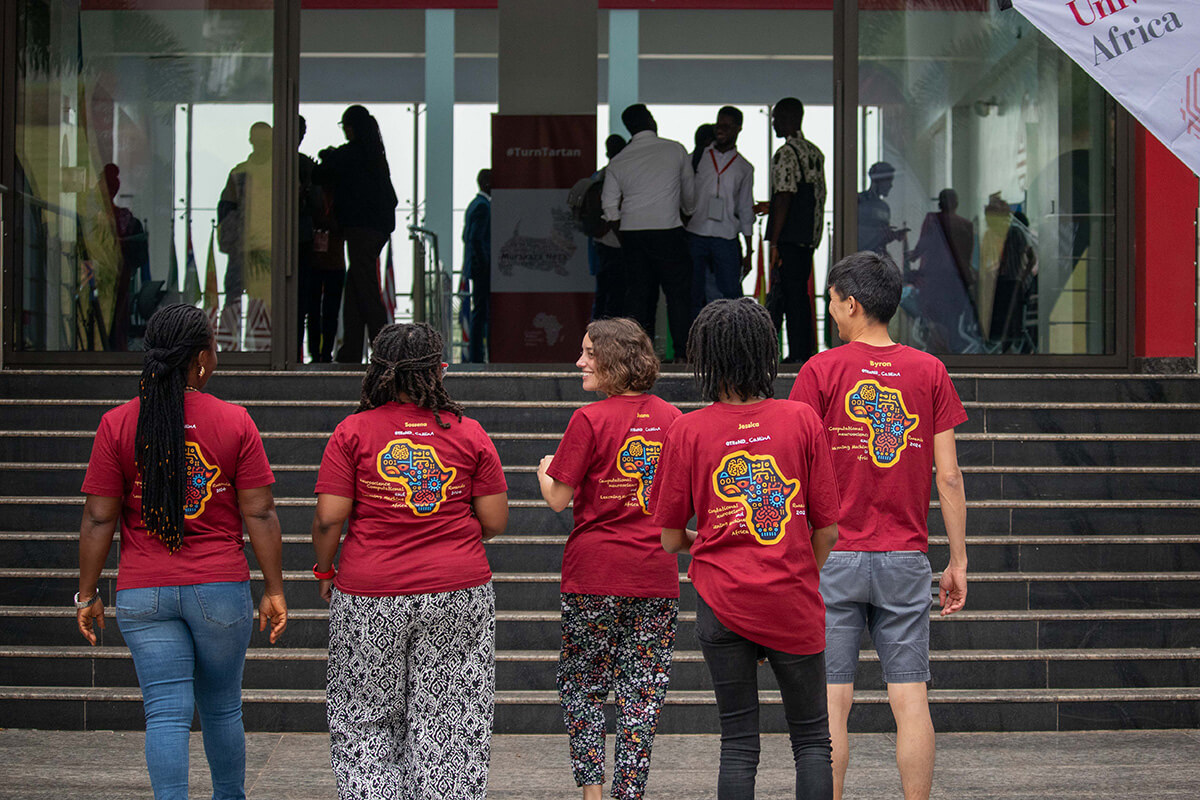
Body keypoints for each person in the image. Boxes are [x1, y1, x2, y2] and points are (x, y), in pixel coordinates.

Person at [76, 303, 288, 800]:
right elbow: (259, 513)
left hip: (144, 593)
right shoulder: (234, 422)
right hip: (219, 591)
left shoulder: (117, 424)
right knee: (221, 707)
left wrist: (87, 594)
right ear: (200, 359)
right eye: (212, 347)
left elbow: (98, 518)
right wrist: (274, 589)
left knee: (166, 712)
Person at [788, 251, 968, 800]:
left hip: (834, 556)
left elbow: (795, 470)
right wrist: (957, 560)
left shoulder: (820, 371)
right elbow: (950, 475)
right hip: (905, 557)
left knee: (831, 703)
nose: (832, 312)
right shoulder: (930, 371)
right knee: (910, 700)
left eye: (834, 302)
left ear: (853, 303)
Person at [652, 298, 841, 800]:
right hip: (793, 598)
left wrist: (710, 541)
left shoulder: (687, 430)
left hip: (721, 603)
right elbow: (827, 530)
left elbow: (670, 538)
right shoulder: (802, 420)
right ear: (766, 351)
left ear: (705, 357)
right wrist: (797, 566)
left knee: (737, 742)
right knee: (812, 741)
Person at [311, 322, 508, 799]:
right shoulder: (469, 432)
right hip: (457, 593)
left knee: (366, 716)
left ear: (377, 371)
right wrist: (445, 536)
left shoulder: (352, 431)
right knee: (452, 719)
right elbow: (496, 521)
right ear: (438, 372)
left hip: (368, 593)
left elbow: (328, 519)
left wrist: (324, 570)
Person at [536, 318, 682, 800]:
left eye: (588, 353)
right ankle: (629, 794)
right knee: (643, 695)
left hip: (592, 573)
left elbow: (558, 498)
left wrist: (542, 471)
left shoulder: (589, 419)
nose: (579, 361)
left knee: (584, 686)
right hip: (654, 574)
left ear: (613, 360)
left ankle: (592, 795)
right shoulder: (674, 420)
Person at [601, 104, 696, 359]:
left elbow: (609, 208)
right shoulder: (674, 149)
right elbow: (690, 194)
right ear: (651, 121)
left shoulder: (619, 161)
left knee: (639, 297)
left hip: (633, 234)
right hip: (669, 230)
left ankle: (638, 357)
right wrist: (686, 213)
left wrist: (624, 236)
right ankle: (682, 355)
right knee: (678, 296)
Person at [319, 104, 398, 364]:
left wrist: (324, 155)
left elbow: (323, 172)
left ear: (350, 128)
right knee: (355, 288)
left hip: (359, 230)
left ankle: (385, 350)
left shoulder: (350, 154)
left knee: (366, 290)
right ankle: (350, 351)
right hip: (378, 229)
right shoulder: (375, 154)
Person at [765, 97, 826, 364]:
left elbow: (785, 196)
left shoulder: (785, 153)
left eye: (776, 117)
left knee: (788, 295)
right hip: (808, 236)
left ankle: (794, 353)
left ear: (789, 118)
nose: (773, 122)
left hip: (789, 237)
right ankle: (803, 349)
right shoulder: (815, 152)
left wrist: (775, 241)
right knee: (799, 294)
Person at [686, 106, 755, 316]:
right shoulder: (697, 157)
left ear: (738, 129)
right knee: (692, 294)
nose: (720, 130)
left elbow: (745, 207)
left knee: (731, 294)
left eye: (727, 125)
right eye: (718, 125)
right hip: (695, 232)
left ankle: (733, 340)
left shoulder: (744, 167)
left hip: (725, 236)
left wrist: (749, 249)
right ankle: (696, 343)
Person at [217, 122, 274, 351]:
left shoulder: (279, 173)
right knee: (234, 300)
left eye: (264, 141)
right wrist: (231, 244)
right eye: (257, 140)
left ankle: (260, 349)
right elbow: (225, 212)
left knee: (262, 304)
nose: (260, 145)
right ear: (251, 141)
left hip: (268, 251)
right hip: (242, 250)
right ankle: (228, 349)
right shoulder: (239, 173)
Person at [906, 189, 977, 354]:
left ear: (940, 203)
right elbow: (967, 255)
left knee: (933, 322)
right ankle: (949, 353)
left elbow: (922, 245)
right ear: (956, 204)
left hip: (934, 281)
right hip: (956, 282)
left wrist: (911, 257)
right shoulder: (966, 225)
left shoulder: (932, 220)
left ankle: (938, 353)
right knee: (951, 323)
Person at [307, 140, 347, 363]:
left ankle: (325, 352)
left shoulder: (342, 195)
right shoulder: (314, 193)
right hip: (317, 259)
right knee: (314, 311)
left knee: (330, 312)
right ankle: (315, 352)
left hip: (335, 260)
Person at [589, 135, 627, 320]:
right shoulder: (622, 175)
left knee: (603, 294)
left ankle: (596, 339)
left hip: (601, 243)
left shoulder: (598, 176)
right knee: (618, 298)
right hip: (617, 243)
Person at [464, 168, 492, 363]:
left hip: (475, 267)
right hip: (481, 268)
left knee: (479, 311)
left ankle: (477, 355)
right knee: (481, 313)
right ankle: (477, 356)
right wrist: (485, 263)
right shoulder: (483, 206)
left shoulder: (475, 205)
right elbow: (476, 238)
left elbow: (465, 236)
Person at [296, 115, 318, 362]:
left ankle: (297, 353)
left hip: (304, 243)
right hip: (273, 245)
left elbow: (317, 207)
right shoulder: (271, 165)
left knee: (304, 303)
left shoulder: (307, 167)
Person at [857, 162, 907, 257]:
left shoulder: (884, 207)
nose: (891, 185)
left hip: (877, 258)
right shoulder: (858, 200)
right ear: (878, 180)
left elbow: (882, 238)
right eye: (889, 181)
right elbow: (855, 232)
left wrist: (893, 235)